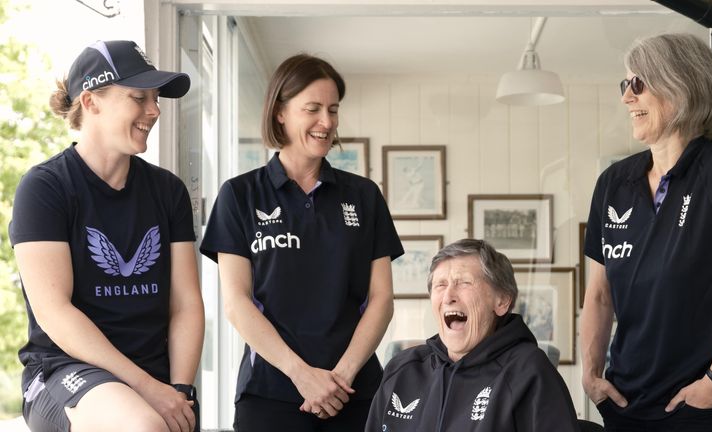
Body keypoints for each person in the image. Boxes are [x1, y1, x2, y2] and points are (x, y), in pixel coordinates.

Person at [200, 53, 403, 431]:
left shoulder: (363, 196)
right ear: (280, 112)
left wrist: (341, 377)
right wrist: (301, 375)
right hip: (270, 393)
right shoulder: (240, 195)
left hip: (355, 392)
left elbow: (382, 299)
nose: (326, 122)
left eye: (333, 110)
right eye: (312, 108)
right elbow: (237, 302)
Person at [9, 40, 204, 432]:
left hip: (153, 374)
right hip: (65, 369)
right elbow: (55, 314)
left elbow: (185, 303)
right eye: (139, 97)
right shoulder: (45, 188)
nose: (154, 110)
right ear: (90, 102)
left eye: (156, 99)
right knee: (143, 426)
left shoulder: (168, 191)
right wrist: (148, 388)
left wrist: (180, 390)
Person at [581, 33, 712, 431]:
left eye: (638, 84)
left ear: (679, 84)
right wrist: (592, 375)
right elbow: (598, 294)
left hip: (704, 407)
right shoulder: (613, 183)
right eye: (624, 85)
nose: (626, 98)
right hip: (625, 405)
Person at [365, 239, 579, 431]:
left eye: (464, 283)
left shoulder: (530, 371)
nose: (448, 296)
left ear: (502, 301)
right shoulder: (402, 369)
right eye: (440, 285)